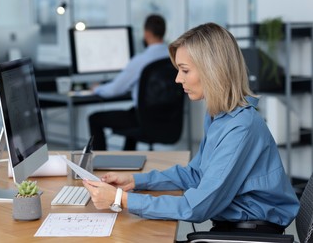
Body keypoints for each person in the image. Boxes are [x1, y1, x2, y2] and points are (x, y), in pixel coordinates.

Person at [83, 22, 300, 234]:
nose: (178, 79)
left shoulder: (240, 128)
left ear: (212, 71)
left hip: (252, 234)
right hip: (234, 227)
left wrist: (120, 199)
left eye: (185, 70)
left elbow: (195, 207)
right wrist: (135, 181)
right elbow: (196, 174)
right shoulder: (220, 115)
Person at [88, 14, 169, 150]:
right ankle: (127, 155)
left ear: (147, 33)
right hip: (168, 119)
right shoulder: (171, 55)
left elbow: (115, 90)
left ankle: (99, 163)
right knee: (130, 115)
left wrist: (96, 89)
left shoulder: (142, 60)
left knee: (94, 118)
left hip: (144, 119)